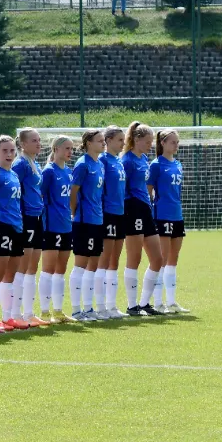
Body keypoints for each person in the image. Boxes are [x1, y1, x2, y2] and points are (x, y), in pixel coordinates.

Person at [121, 122, 164, 317]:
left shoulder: (144, 158)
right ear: (136, 140)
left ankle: (145, 303)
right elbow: (122, 189)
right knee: (134, 257)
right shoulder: (127, 161)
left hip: (146, 209)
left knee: (157, 258)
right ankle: (132, 306)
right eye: (147, 141)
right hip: (133, 208)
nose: (150, 145)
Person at [149, 129, 190, 313]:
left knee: (174, 259)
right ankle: (158, 303)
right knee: (162, 259)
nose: (176, 145)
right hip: (162, 215)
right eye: (173, 142)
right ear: (163, 143)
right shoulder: (156, 165)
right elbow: (148, 190)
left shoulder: (178, 164)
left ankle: (172, 302)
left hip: (177, 215)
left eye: (177, 142)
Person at [0, 135, 29, 331]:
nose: (9, 154)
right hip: (3, 225)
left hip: (17, 226)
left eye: (12, 150)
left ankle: (8, 316)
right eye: (4, 150)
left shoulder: (13, 174)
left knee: (11, 274)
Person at [69, 130, 106, 322]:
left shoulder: (99, 164)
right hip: (84, 221)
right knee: (80, 266)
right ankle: (76, 310)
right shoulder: (82, 164)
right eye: (100, 140)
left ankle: (89, 308)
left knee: (93, 266)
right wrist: (75, 212)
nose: (103, 143)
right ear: (89, 143)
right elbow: (73, 192)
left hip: (97, 220)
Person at [12, 128, 48, 327]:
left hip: (37, 216)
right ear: (23, 144)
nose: (38, 143)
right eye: (34, 140)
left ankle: (28, 313)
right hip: (26, 217)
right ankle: (15, 313)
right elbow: (15, 192)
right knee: (23, 267)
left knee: (32, 267)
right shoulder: (20, 165)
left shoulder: (35, 164)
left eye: (39, 140)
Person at [40, 135, 76, 323]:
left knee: (61, 269)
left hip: (66, 225)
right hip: (51, 226)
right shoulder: (49, 171)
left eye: (71, 148)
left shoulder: (69, 172)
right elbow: (40, 197)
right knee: (48, 269)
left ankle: (58, 311)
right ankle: (45, 312)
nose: (70, 152)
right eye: (67, 148)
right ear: (55, 149)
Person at [96, 126, 128, 320]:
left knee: (114, 261)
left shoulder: (118, 161)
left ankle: (111, 305)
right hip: (107, 213)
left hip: (119, 213)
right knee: (104, 260)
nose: (123, 143)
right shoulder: (102, 161)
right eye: (119, 140)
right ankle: (100, 306)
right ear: (108, 140)